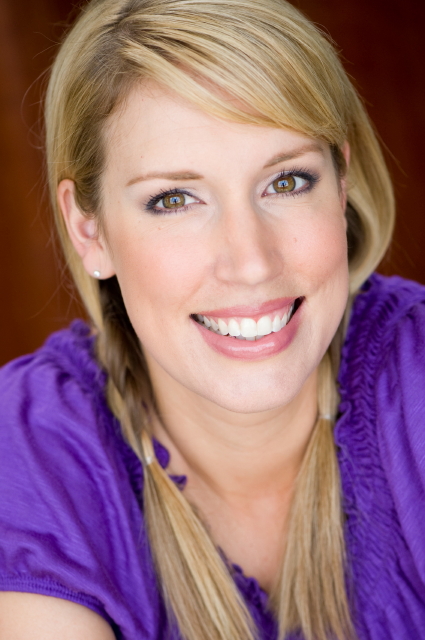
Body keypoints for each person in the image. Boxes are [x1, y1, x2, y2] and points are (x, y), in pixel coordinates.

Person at [0, 0, 424, 638]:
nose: (251, 263)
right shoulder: (30, 449)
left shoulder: (412, 372)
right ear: (89, 230)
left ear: (341, 185)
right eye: (174, 199)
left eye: (287, 182)